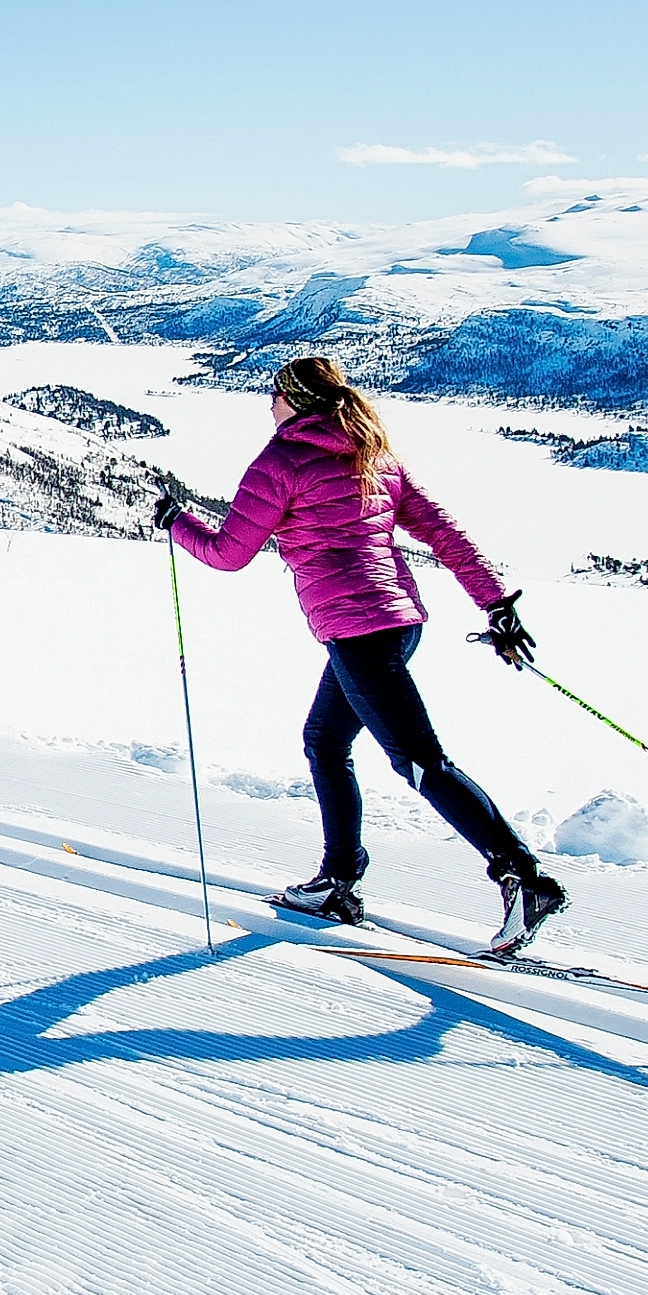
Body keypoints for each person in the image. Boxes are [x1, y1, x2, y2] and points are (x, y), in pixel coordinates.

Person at [157, 355, 570, 956]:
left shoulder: (282, 460)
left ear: (295, 401)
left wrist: (176, 522)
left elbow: (228, 554)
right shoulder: (371, 450)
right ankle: (337, 879)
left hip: (358, 633)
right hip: (398, 622)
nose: (269, 406)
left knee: (421, 763)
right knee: (325, 740)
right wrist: (496, 604)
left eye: (273, 395)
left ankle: (521, 877)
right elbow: (444, 533)